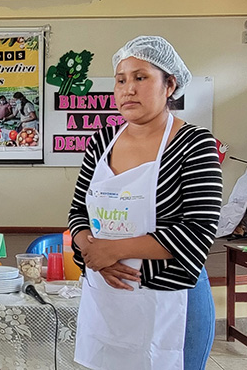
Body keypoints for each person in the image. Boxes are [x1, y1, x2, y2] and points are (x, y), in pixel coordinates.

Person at [68, 36, 222, 370]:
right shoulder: (102, 142)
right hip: (106, 295)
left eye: (141, 77)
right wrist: (94, 255)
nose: (128, 89)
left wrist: (114, 250)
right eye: (120, 81)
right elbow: (78, 211)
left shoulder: (194, 144)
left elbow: (198, 230)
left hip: (171, 298)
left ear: (170, 85)